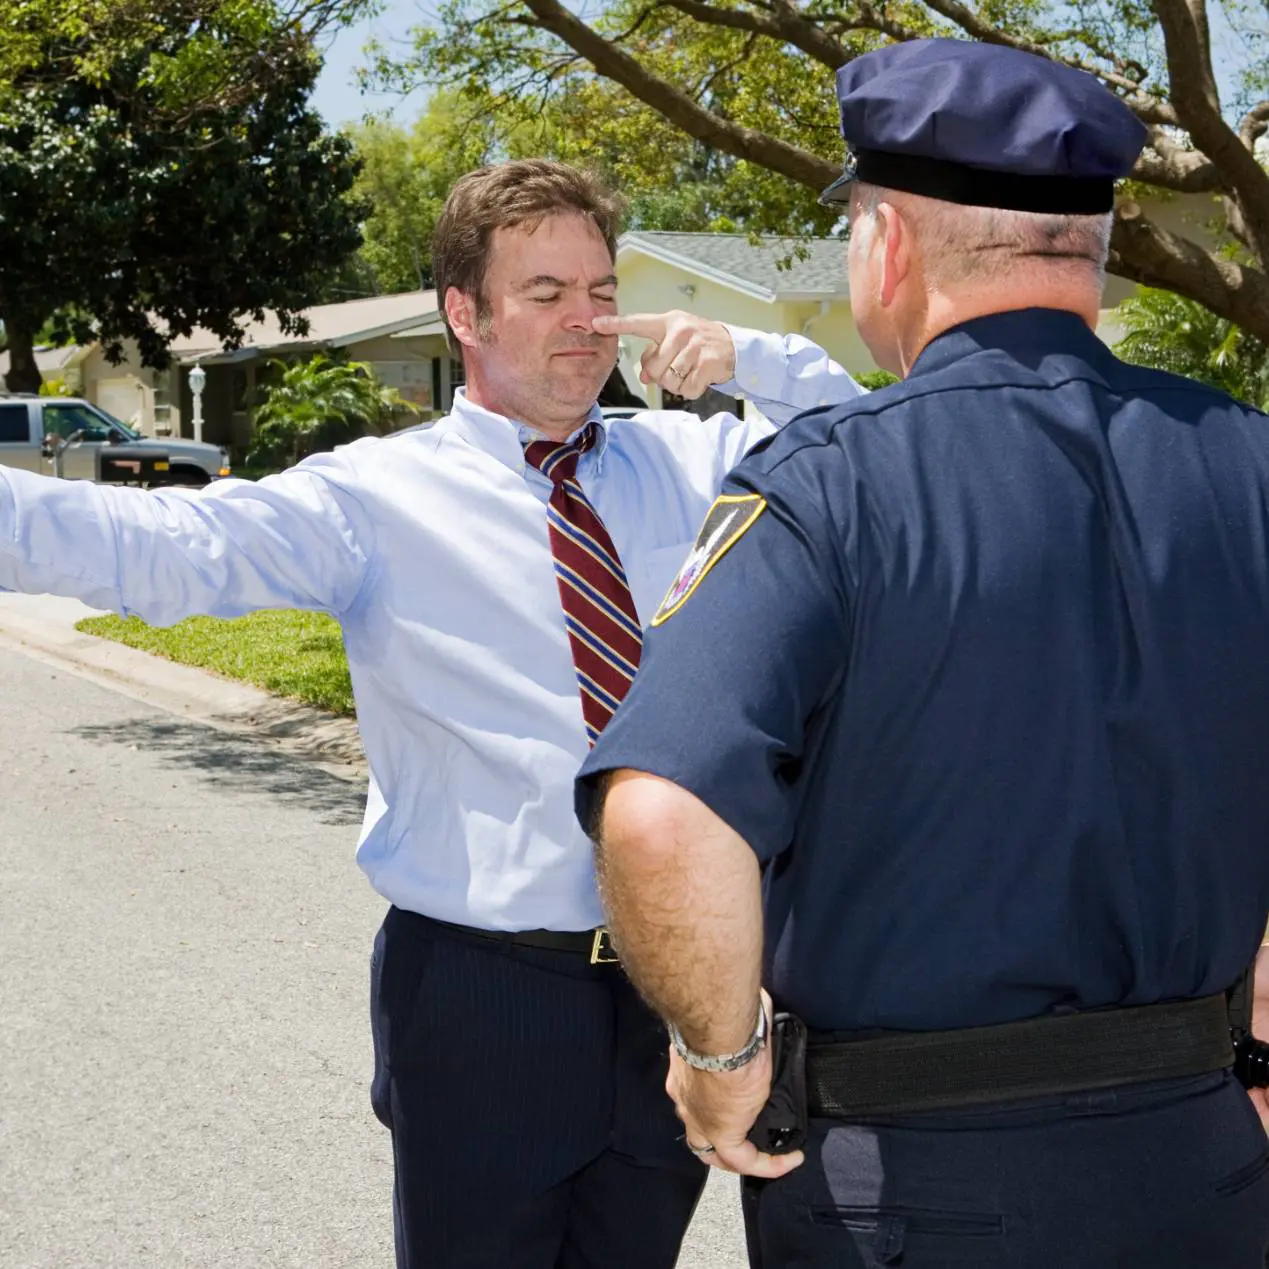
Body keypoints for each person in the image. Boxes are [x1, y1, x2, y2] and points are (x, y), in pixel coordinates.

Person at [0, 159, 864, 1267]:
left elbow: (865, 463)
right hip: (480, 992)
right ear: (465, 312)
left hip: (683, 988)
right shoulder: (373, 498)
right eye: (545, 293)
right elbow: (159, 550)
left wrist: (758, 358)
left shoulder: (699, 459)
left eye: (600, 290)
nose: (588, 320)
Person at [576, 39, 1269, 1269]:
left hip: (909, 1191)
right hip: (1204, 1168)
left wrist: (719, 1061)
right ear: (1091, 252)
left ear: (886, 242)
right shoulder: (1249, 465)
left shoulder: (827, 485)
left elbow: (662, 819)